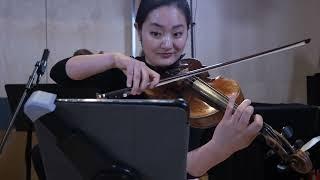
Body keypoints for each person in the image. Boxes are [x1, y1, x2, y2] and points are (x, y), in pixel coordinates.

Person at [50, 0, 263, 178]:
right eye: (156, 33)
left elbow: (184, 172)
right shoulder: (121, 74)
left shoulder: (199, 92)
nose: (167, 44)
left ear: (188, 31)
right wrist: (114, 59)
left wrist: (219, 148)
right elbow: (59, 72)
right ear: (139, 30)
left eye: (177, 34)